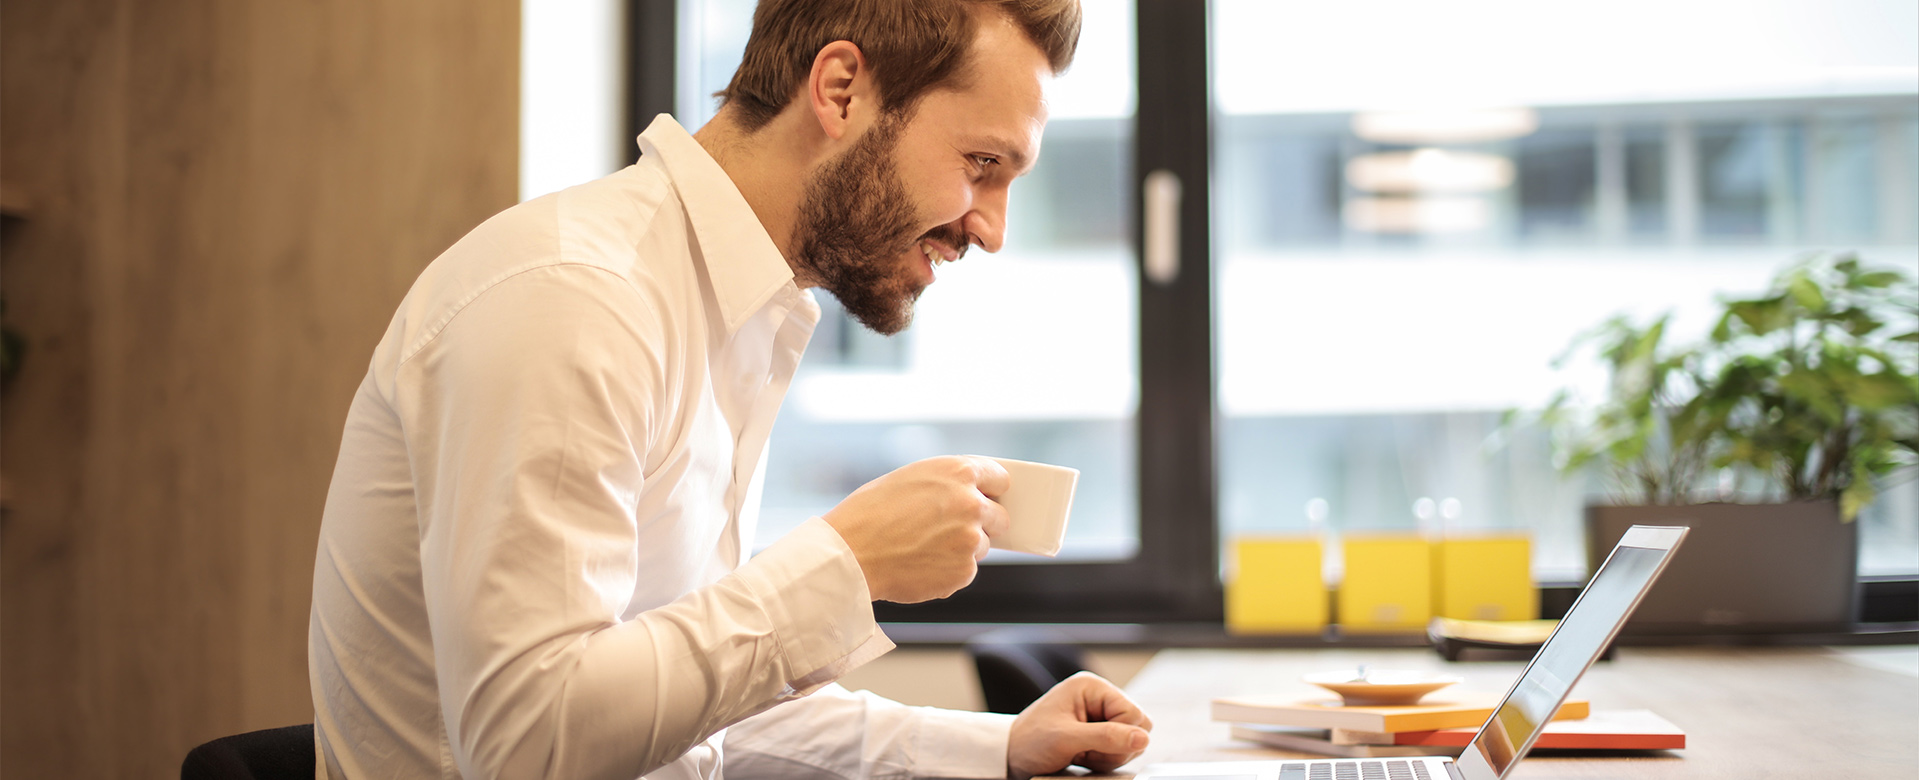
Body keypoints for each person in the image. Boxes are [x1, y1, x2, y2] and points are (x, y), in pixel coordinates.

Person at [307, 1, 1152, 778]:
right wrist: (844, 562)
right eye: (980, 164)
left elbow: (686, 714)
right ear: (841, 89)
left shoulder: (739, 312)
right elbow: (530, 743)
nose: (992, 229)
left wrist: (997, 744)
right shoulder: (573, 297)